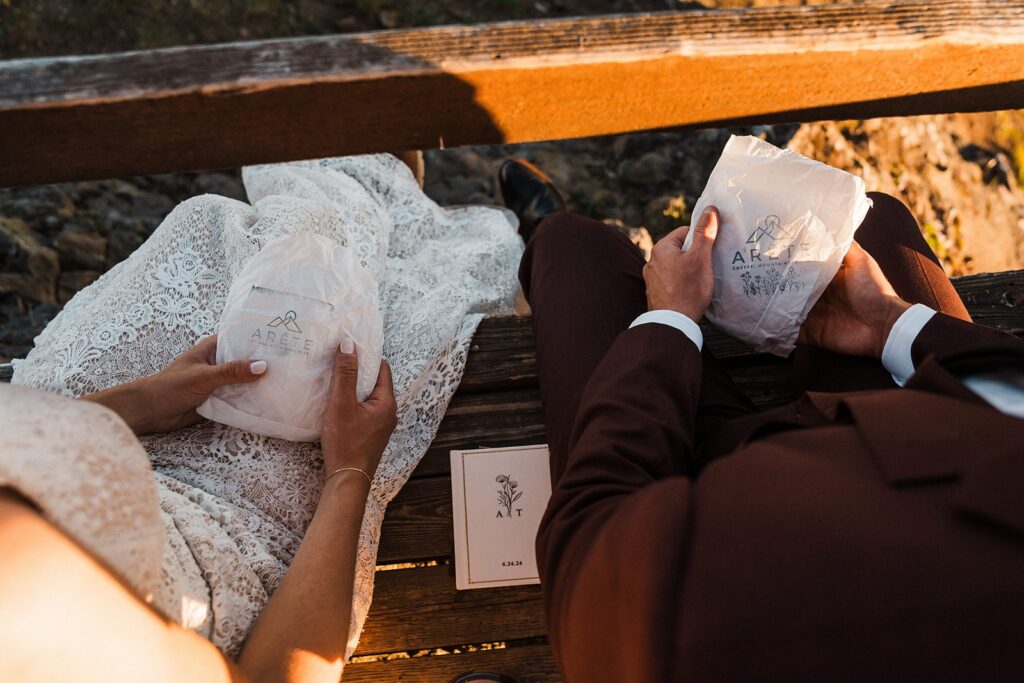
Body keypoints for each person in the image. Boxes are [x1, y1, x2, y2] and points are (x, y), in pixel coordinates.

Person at [0, 153, 523, 680]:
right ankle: (383, 174)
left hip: (112, 441)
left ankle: (373, 175)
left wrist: (145, 402)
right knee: (356, 328)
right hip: (255, 543)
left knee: (210, 229)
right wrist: (349, 472)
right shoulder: (57, 637)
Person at [499, 158, 1024, 682]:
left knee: (573, 248)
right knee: (868, 221)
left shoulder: (710, 640)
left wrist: (670, 322)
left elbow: (587, 548)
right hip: (909, 427)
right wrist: (887, 321)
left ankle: (547, 236)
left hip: (705, 494)